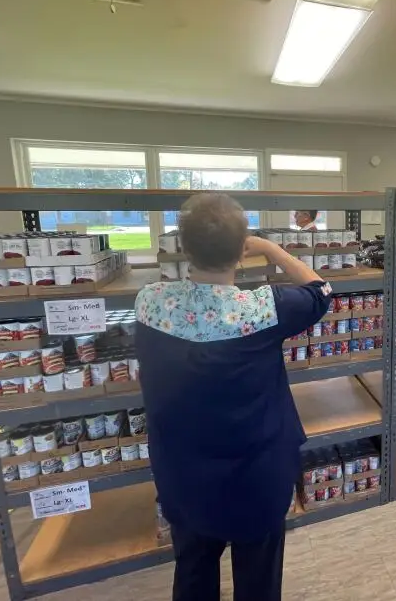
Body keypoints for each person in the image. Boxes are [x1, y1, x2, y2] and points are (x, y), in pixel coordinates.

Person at [135, 194, 332, 601]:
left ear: (185, 248)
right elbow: (321, 290)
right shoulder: (264, 308)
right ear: (242, 251)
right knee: (258, 580)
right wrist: (271, 248)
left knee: (192, 572)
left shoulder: (150, 301)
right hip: (255, 477)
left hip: (183, 474)